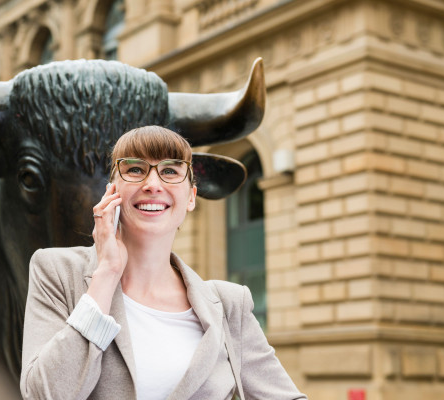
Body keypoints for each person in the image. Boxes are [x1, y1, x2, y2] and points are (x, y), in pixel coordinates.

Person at [20, 125, 307, 399]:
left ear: (191, 197)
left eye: (170, 171)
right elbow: (43, 395)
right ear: (112, 192)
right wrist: (106, 273)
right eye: (135, 169)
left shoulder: (230, 306)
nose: (153, 184)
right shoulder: (56, 272)